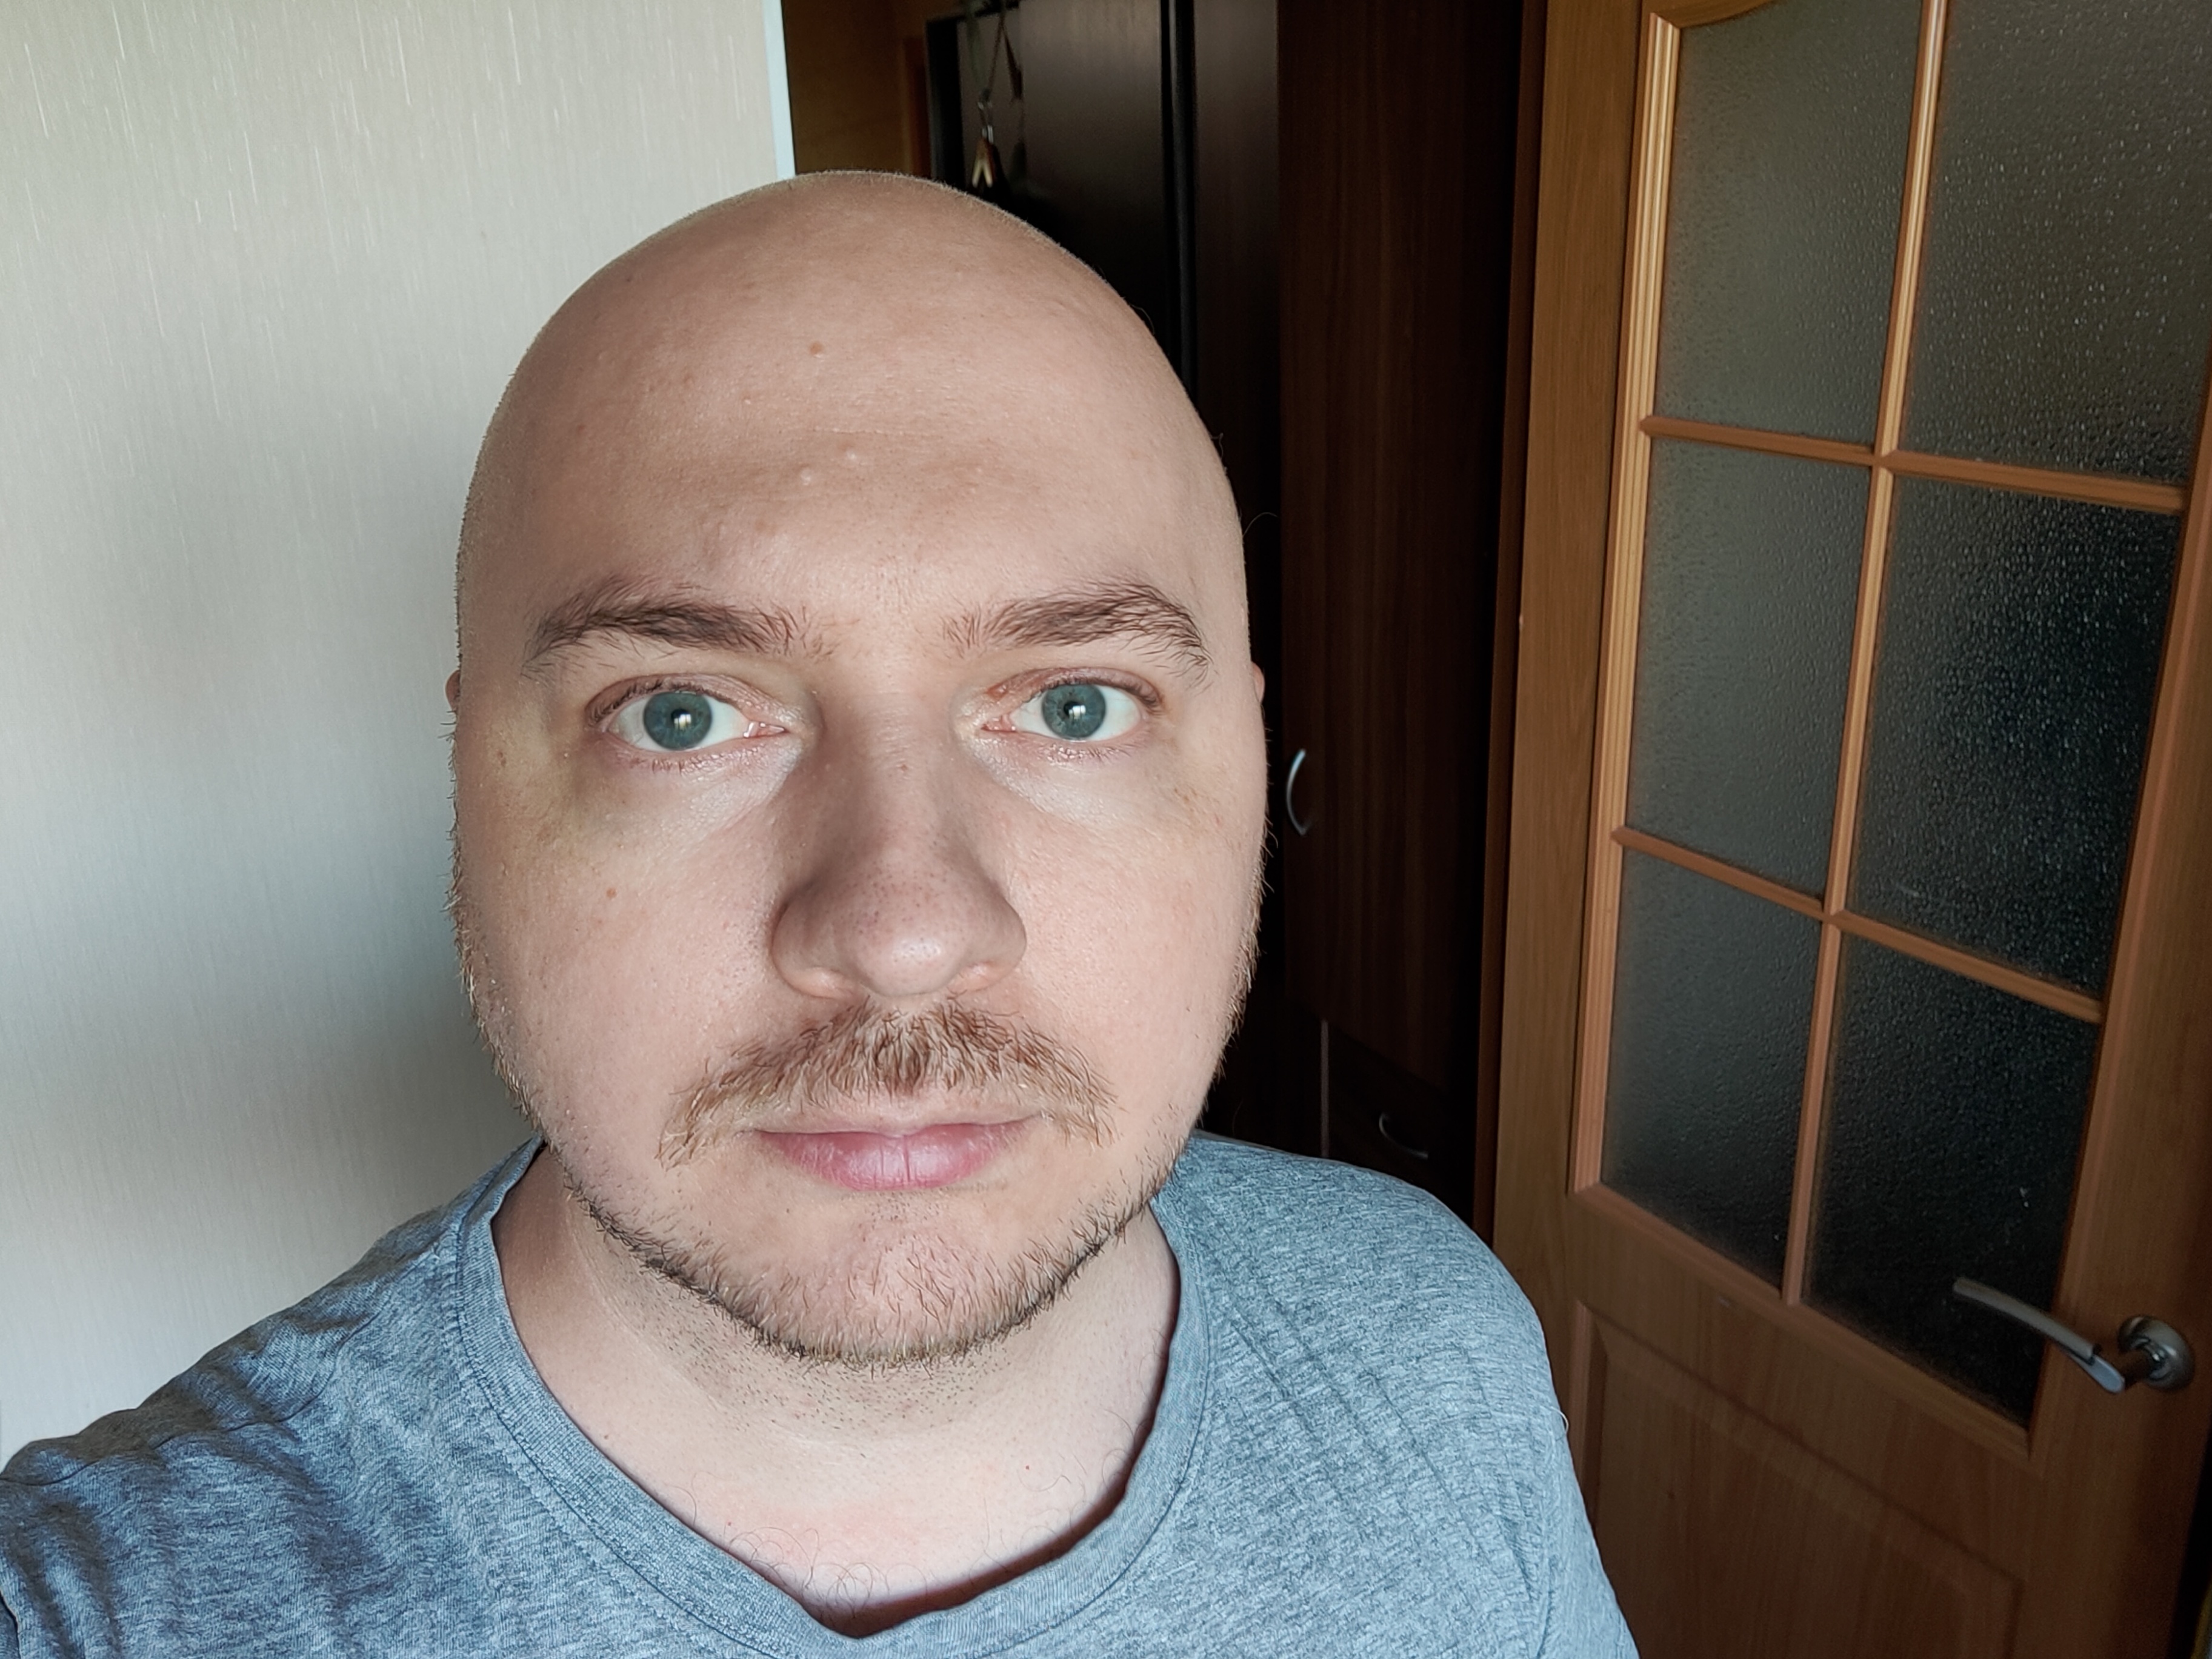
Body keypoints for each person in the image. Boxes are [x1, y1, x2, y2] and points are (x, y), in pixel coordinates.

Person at [0, 175, 1633, 1656]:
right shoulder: (103, 1610)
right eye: (680, 716)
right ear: (465, 780)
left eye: (1073, 705)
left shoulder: (1433, 1340)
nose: (904, 931)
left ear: (1247, 754)